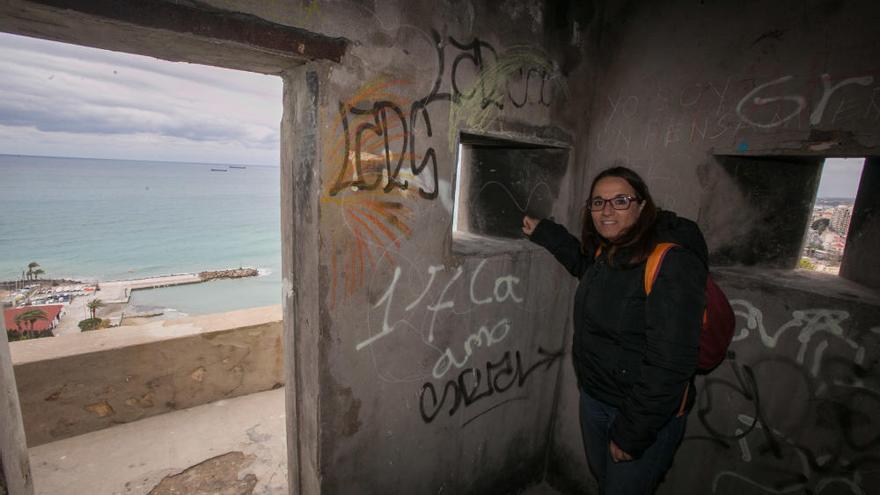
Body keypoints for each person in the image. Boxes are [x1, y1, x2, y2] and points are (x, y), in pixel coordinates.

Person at [523, 166, 707, 495]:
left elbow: (671, 362)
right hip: (595, 398)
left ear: (642, 205)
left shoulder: (670, 263)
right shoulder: (611, 249)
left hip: (641, 415)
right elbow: (586, 268)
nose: (607, 210)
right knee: (606, 481)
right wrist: (545, 232)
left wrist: (633, 432)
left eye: (620, 201)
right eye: (598, 202)